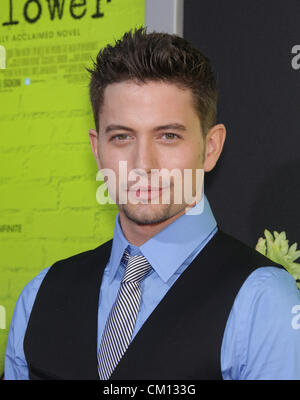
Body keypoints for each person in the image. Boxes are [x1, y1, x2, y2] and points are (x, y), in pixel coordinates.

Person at [4, 27, 300, 380]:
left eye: (168, 136)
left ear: (211, 147)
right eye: (122, 136)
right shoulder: (39, 296)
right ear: (97, 150)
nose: (143, 164)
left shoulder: (263, 302)